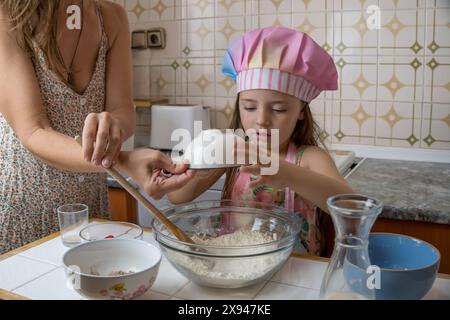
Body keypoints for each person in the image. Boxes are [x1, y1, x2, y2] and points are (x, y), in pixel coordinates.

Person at [0, 0, 193, 253]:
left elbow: (123, 110)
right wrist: (122, 161)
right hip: (24, 206)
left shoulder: (112, 18)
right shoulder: (9, 14)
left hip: (89, 206)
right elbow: (34, 131)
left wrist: (113, 124)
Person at [168, 27, 354, 255]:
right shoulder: (233, 150)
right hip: (237, 265)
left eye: (279, 108)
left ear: (301, 111)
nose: (262, 120)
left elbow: (349, 207)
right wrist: (202, 159)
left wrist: (286, 173)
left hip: (296, 272)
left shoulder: (309, 158)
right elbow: (177, 197)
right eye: (249, 106)